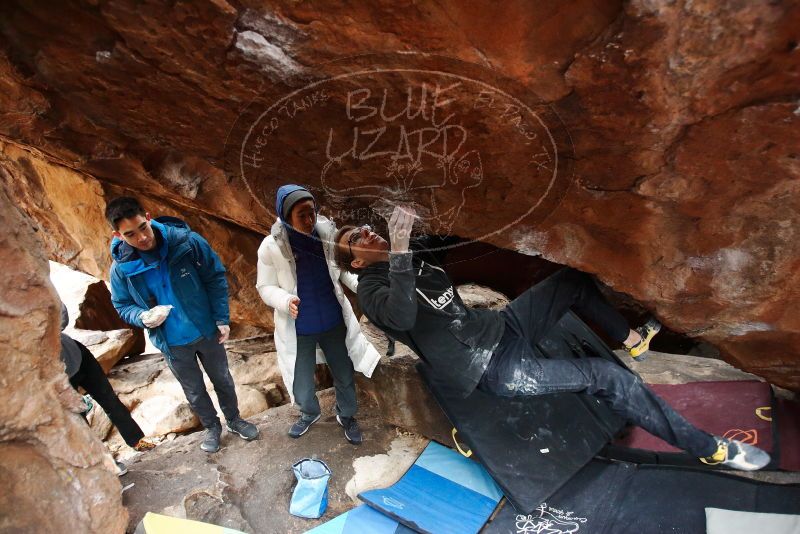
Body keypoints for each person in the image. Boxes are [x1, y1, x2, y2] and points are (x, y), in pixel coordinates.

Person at [334, 206, 771, 471]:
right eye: (356, 238)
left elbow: (451, 232)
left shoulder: (412, 256)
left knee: (570, 281)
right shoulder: (373, 289)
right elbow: (403, 314)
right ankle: (709, 449)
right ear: (355, 263)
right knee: (608, 378)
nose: (366, 232)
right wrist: (400, 250)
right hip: (492, 367)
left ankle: (632, 339)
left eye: (364, 227)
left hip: (500, 328)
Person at [106, 197, 258, 453]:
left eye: (143, 227)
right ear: (118, 235)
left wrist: (222, 318)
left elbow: (215, 278)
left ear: (149, 217)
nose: (141, 238)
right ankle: (212, 428)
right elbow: (122, 304)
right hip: (171, 341)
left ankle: (235, 420)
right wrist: (142, 317)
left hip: (206, 330)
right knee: (194, 390)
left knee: (222, 379)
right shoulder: (122, 269)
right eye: (130, 234)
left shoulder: (186, 243)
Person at [256, 185, 380, 444]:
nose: (309, 220)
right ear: (286, 216)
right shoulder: (271, 247)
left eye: (312, 212)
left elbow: (343, 270)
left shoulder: (327, 235)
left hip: (333, 319)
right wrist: (284, 300)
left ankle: (347, 415)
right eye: (301, 215)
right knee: (301, 377)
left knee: (344, 371)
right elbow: (265, 287)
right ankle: (309, 413)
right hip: (299, 325)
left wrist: (363, 287)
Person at [58, 299, 154, 475]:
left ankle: (136, 440)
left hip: (77, 355)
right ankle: (104, 462)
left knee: (110, 400)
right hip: (56, 376)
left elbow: (62, 316)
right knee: (78, 420)